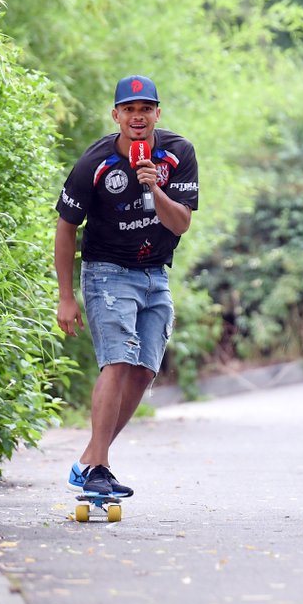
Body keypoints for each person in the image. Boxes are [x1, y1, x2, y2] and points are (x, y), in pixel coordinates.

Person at [55, 75, 199, 497]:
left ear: (158, 113)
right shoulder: (94, 162)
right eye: (129, 109)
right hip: (107, 272)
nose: (138, 117)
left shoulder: (178, 154)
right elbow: (65, 229)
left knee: (143, 371)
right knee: (117, 361)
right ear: (116, 115)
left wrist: (154, 186)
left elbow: (181, 223)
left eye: (146, 109)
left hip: (157, 274)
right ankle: (99, 465)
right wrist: (66, 297)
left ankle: (88, 461)